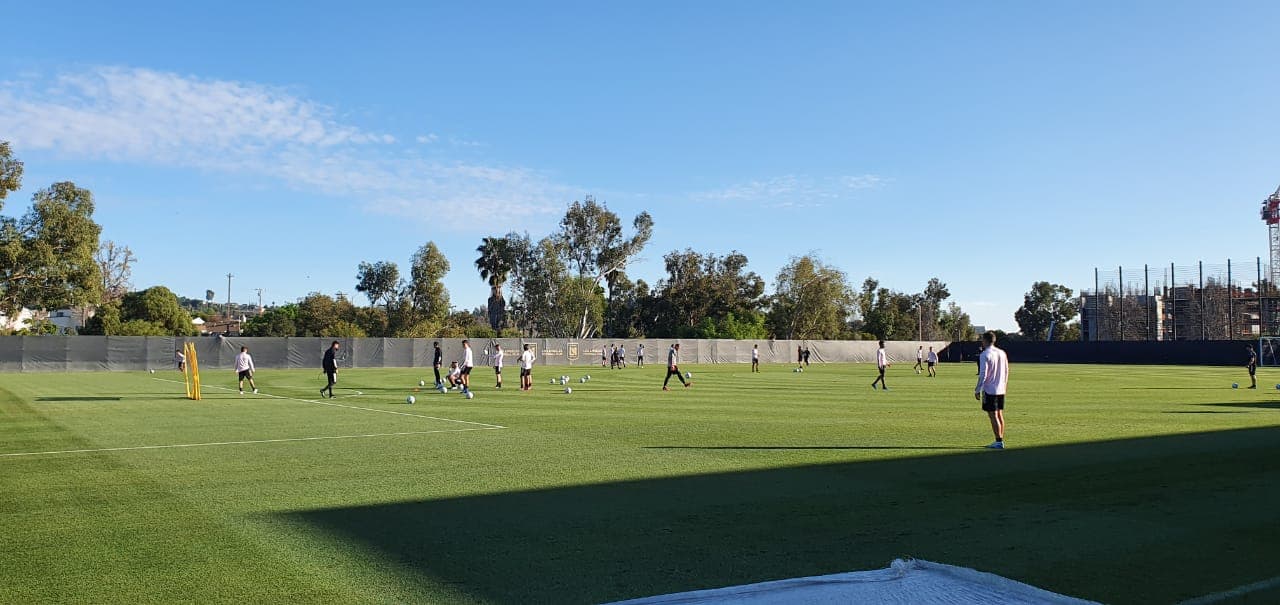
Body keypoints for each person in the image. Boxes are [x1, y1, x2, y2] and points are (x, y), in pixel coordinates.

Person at [975, 331, 1010, 449]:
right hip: (1001, 388)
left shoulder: (985, 354)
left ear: (985, 341)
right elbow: (1006, 371)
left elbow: (983, 374)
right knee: (999, 414)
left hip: (990, 389)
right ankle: (1000, 439)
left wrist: (977, 389)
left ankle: (999, 441)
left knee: (993, 415)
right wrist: (1004, 385)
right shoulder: (1002, 353)